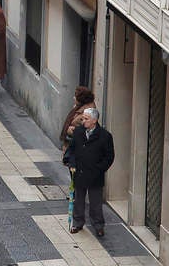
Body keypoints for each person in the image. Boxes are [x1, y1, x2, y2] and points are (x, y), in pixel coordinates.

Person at [64, 107, 115, 237]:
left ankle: (98, 225)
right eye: (83, 118)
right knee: (78, 200)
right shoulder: (79, 132)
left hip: (94, 175)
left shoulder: (105, 136)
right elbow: (72, 150)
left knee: (96, 202)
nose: (83, 121)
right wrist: (71, 163)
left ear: (94, 120)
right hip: (79, 172)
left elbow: (109, 157)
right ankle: (77, 223)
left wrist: (99, 169)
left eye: (86, 119)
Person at [59, 86, 96, 151]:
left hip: (76, 148)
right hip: (72, 145)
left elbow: (85, 131)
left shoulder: (86, 113)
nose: (74, 98)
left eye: (75, 97)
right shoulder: (78, 107)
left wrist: (69, 130)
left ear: (81, 99)